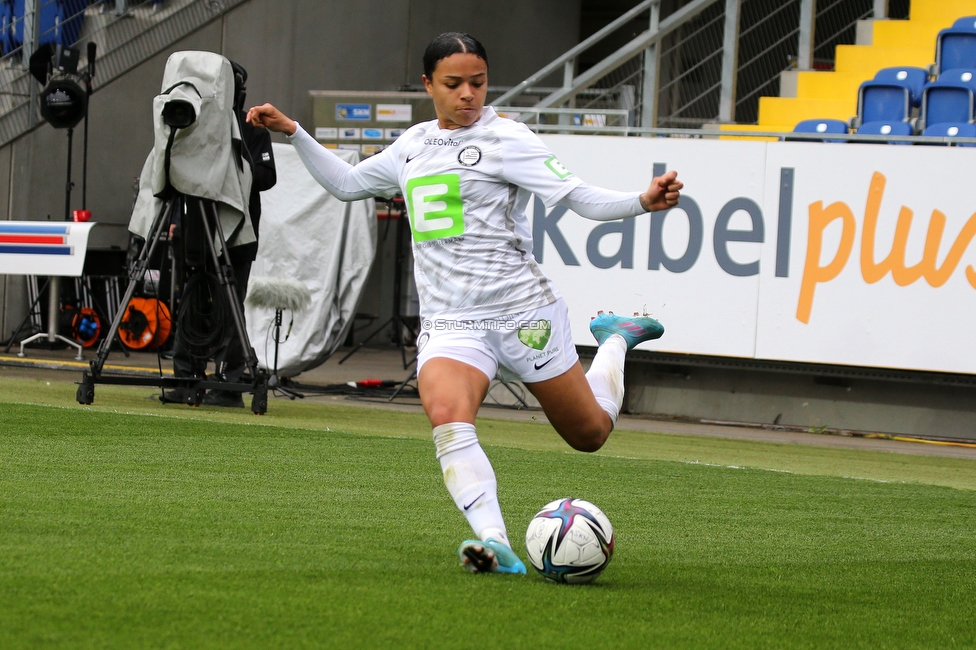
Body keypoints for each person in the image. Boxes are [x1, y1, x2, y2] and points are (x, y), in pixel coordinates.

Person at [246, 32, 682, 574]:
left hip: (523, 312)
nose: (468, 94)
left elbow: (576, 196)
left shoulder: (509, 139)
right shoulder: (413, 145)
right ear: (429, 84)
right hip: (453, 322)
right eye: (454, 84)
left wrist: (641, 202)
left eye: (477, 82)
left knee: (590, 435)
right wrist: (293, 132)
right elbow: (349, 184)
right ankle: (493, 540)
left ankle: (617, 336)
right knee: (448, 416)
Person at [161, 61, 277, 408]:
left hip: (238, 234)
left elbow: (267, 177)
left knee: (230, 305)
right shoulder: (192, 127)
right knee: (190, 302)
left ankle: (229, 383)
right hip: (195, 228)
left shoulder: (252, 129)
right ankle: (186, 378)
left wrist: (234, 166)